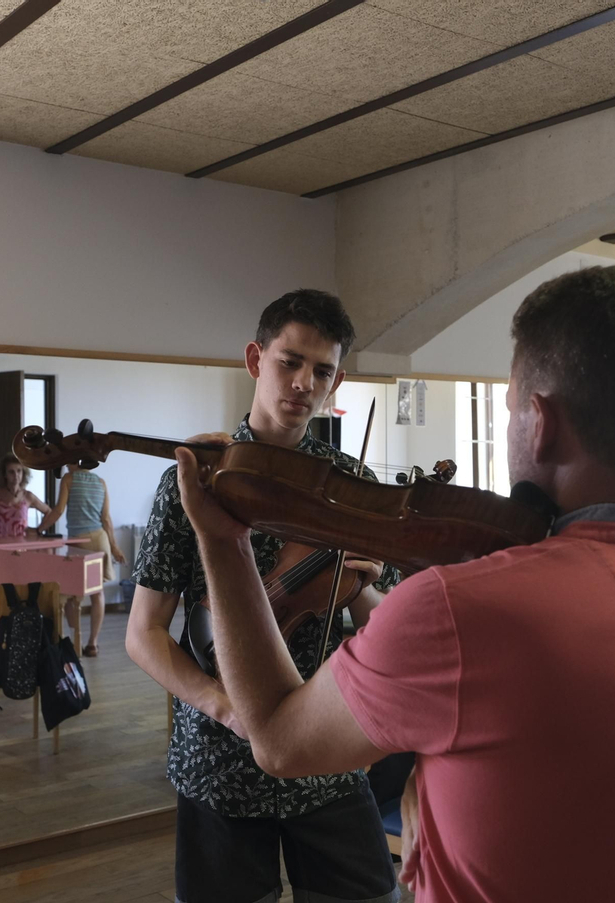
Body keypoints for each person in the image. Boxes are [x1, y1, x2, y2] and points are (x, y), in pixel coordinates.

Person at [175, 265, 615, 903]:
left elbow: (278, 738)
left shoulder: (458, 609)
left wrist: (223, 542)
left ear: (541, 422)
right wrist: (431, 775)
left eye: (506, 412)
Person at [126, 289, 403, 903]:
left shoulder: (353, 486)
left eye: (322, 370)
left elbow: (387, 628)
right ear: (256, 359)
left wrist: (364, 585)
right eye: (290, 361)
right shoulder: (191, 480)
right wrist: (227, 708)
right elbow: (142, 634)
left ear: (338, 381)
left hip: (328, 754)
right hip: (219, 763)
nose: (304, 382)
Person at [45, 463, 125, 656]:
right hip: (100, 540)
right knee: (97, 593)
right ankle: (92, 644)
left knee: (71, 592)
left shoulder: (69, 479)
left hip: (79, 542)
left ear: (73, 462)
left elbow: (58, 510)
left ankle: (74, 639)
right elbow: (106, 518)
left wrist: (40, 528)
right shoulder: (101, 482)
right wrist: (114, 546)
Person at [0, 455, 55, 539]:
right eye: (11, 472)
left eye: (19, 471)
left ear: (23, 473)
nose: (16, 475)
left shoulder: (28, 496)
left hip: (21, 544)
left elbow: (49, 512)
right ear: (5, 474)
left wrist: (38, 530)